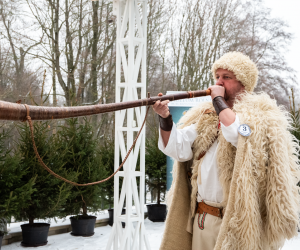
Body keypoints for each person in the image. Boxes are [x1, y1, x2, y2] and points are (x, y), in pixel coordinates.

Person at [152, 52, 300, 250]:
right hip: (202, 220)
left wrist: (218, 101)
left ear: (244, 84)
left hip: (238, 226)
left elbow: (239, 134)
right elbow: (179, 148)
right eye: (217, 77)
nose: (219, 83)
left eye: (227, 77)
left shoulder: (261, 117)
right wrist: (165, 118)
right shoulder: (205, 117)